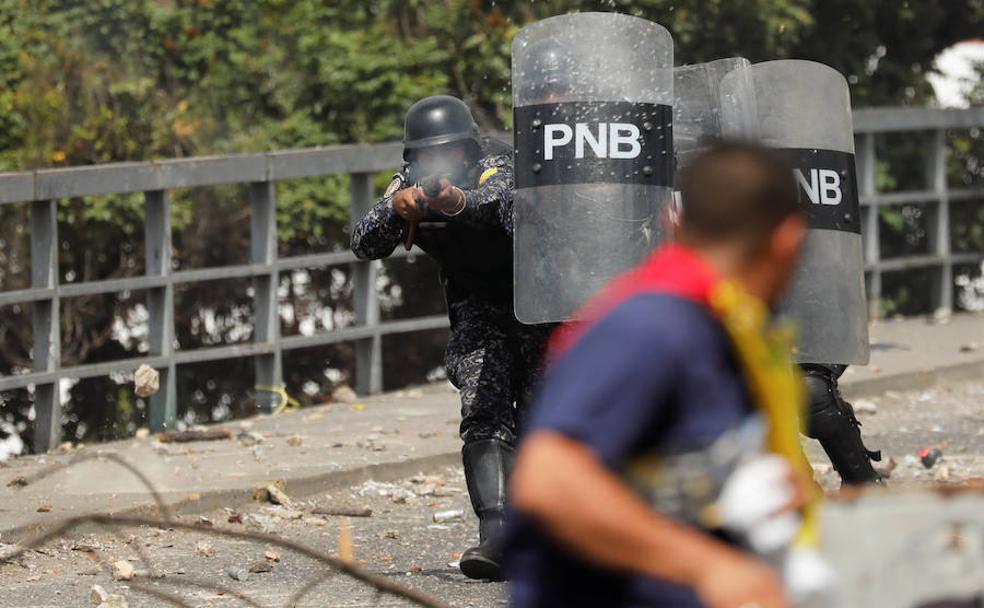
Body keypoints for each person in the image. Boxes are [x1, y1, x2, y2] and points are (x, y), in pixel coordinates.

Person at [506, 142, 823, 608]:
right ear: (788, 240)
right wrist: (706, 565)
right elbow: (549, 482)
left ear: (673, 223)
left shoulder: (729, 328)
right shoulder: (652, 328)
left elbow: (671, 470)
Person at [350, 95, 552, 581]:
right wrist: (400, 209)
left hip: (539, 305)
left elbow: (500, 205)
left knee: (545, 419)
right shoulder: (409, 184)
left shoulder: (497, 165)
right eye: (427, 157)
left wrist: (453, 201)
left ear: (469, 149)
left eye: (451, 154)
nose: (441, 164)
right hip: (479, 311)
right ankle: (497, 534)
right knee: (484, 415)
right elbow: (363, 240)